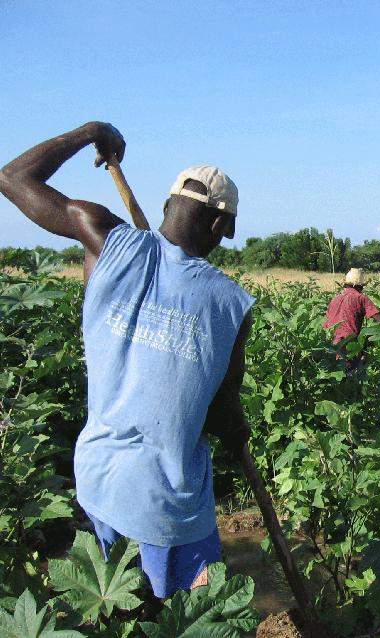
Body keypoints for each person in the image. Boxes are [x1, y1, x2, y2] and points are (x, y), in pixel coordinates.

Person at [0, 122, 254, 599]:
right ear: (219, 224)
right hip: (169, 506)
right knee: (193, 618)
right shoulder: (231, 304)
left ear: (167, 207)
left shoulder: (105, 241)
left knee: (112, 609)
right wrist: (238, 430)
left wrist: (93, 131)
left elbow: (12, 178)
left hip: (98, 483)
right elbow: (221, 414)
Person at [323, 268, 380, 375]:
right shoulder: (361, 298)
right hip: (348, 344)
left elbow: (326, 321)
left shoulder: (335, 299)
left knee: (334, 377)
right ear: (359, 286)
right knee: (352, 375)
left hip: (330, 344)